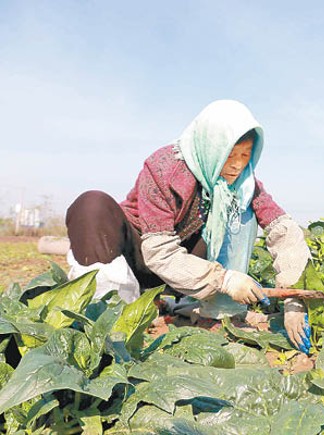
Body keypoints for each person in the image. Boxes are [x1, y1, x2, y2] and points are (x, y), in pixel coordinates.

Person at [65, 99, 310, 351]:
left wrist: (294, 298)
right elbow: (158, 252)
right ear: (212, 147)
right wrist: (223, 279)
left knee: (243, 204)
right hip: (141, 253)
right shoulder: (164, 168)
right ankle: (112, 313)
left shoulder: (244, 183)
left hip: (186, 267)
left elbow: (282, 229)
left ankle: (219, 312)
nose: (237, 164)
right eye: (230, 154)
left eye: (245, 155)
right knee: (91, 205)